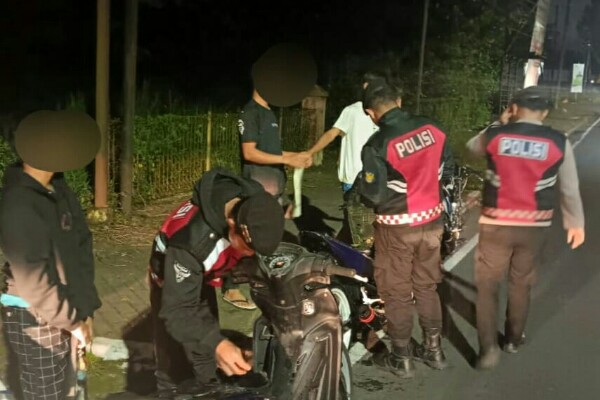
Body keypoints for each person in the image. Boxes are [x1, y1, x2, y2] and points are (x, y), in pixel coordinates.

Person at [466, 86, 585, 370]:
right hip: (534, 226)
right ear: (544, 113)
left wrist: (499, 122)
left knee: (487, 286)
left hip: (496, 224)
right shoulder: (558, 142)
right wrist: (575, 223)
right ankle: (513, 339)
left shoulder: (496, 136)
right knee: (521, 282)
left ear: (514, 108)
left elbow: (471, 149)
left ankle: (488, 350)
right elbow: (569, 187)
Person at [148, 167, 285, 397]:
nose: (249, 255)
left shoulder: (255, 205)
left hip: (206, 268)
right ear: (231, 223)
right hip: (171, 272)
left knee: (207, 327)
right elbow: (176, 310)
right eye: (247, 248)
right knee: (174, 344)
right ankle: (169, 389)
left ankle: (207, 382)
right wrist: (219, 345)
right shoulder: (192, 244)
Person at [0, 110, 101, 399]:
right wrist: (72, 321)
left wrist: (85, 310)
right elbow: (34, 282)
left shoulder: (59, 190)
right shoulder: (18, 205)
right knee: (44, 392)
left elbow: (81, 247)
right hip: (34, 314)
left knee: (67, 386)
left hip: (68, 307)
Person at [356, 82, 455, 378]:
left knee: (397, 292)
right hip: (432, 223)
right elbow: (448, 169)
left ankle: (401, 356)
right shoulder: (433, 128)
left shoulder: (377, 144)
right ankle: (434, 350)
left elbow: (373, 195)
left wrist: (363, 185)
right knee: (426, 286)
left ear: (370, 112)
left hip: (397, 229)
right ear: (399, 101)